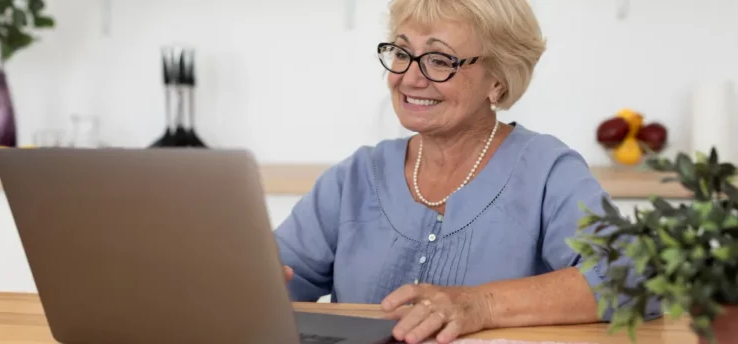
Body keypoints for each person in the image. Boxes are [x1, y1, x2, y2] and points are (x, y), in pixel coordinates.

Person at [274, 0, 661, 343]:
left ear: (498, 78)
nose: (410, 77)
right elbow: (275, 281)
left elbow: (631, 279)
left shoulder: (547, 171)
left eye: (440, 60)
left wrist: (482, 305)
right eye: (401, 52)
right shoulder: (356, 177)